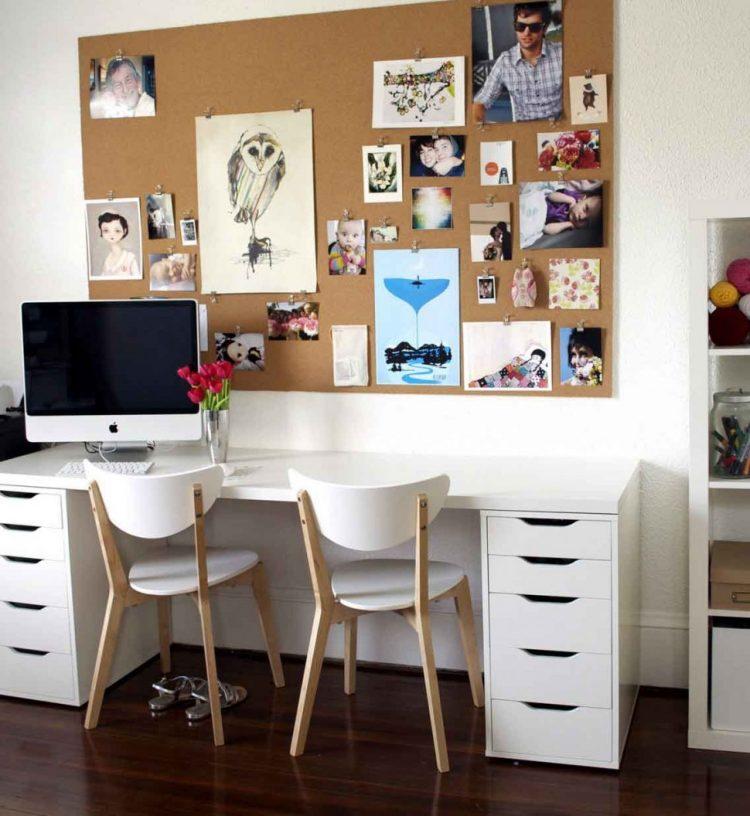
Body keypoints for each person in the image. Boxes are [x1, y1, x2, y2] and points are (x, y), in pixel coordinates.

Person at [473, 2, 562, 123]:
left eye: (534, 27)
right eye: (521, 26)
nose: (526, 33)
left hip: (560, 127)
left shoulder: (562, 54)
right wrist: (477, 123)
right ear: (514, 26)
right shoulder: (505, 61)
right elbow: (480, 101)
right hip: (523, 132)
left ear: (544, 28)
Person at [470, 348, 548, 389]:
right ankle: (479, 383)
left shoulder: (540, 370)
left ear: (541, 359)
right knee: (497, 377)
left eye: (537, 357)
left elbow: (544, 381)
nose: (535, 358)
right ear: (531, 356)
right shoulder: (522, 361)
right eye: (534, 356)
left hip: (522, 385)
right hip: (509, 379)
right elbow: (509, 368)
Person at [95, 211, 139, 278]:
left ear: (124, 231)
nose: (111, 235)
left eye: (117, 230)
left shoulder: (130, 258)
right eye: (106, 231)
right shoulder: (107, 260)